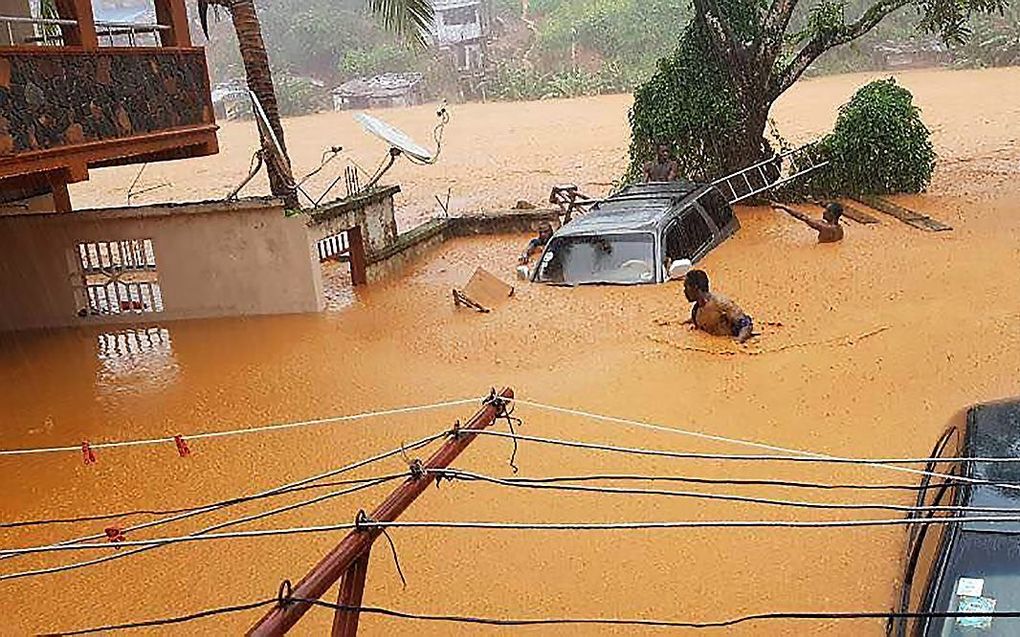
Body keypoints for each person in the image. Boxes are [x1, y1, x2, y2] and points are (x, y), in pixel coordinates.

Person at [682, 269, 753, 343]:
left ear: (695, 287)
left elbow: (746, 325)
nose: (684, 291)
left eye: (686, 287)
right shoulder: (696, 310)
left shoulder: (721, 303)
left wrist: (738, 341)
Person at [773, 202, 844, 243]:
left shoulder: (824, 227)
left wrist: (783, 207)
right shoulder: (840, 229)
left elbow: (802, 217)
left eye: (827, 210)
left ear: (832, 214)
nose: (824, 212)